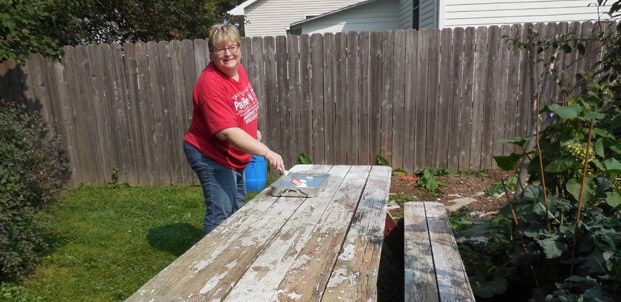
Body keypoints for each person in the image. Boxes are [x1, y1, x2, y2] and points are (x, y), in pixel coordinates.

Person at [183, 23, 285, 235]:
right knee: (221, 213)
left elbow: (241, 108)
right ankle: (210, 261)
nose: (228, 53)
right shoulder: (210, 84)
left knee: (237, 206)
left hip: (233, 155)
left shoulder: (239, 71)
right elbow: (227, 131)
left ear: (240, 48)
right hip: (210, 156)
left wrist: (252, 133)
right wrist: (265, 150)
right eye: (221, 49)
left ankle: (230, 252)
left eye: (233, 47)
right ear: (211, 53)